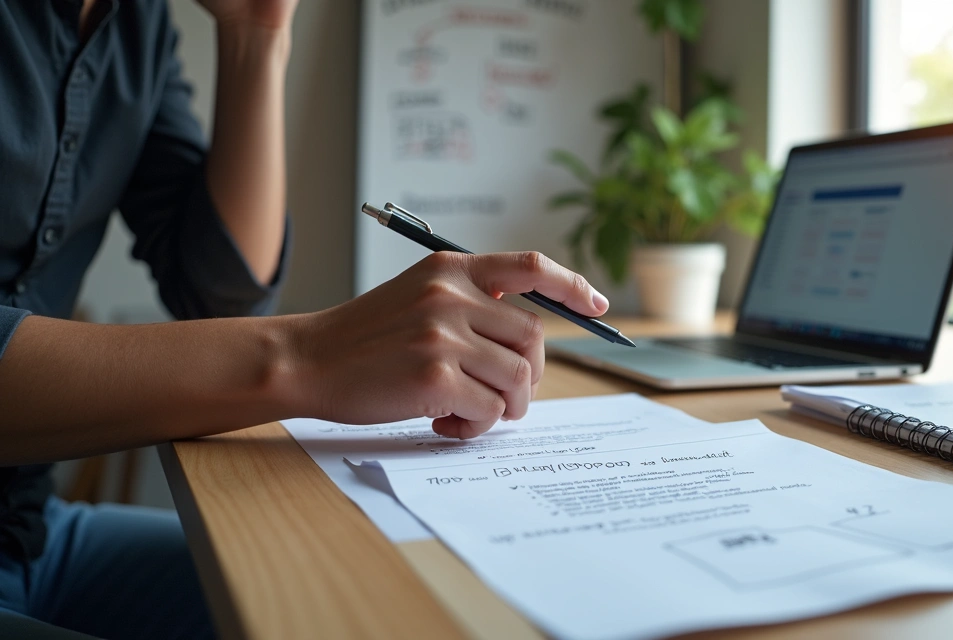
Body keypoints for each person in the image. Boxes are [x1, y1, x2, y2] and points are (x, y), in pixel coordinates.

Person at [0, 1, 609, 637]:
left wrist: (257, 32)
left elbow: (220, 295)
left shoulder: (135, 21)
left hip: (33, 534)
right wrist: (306, 356)